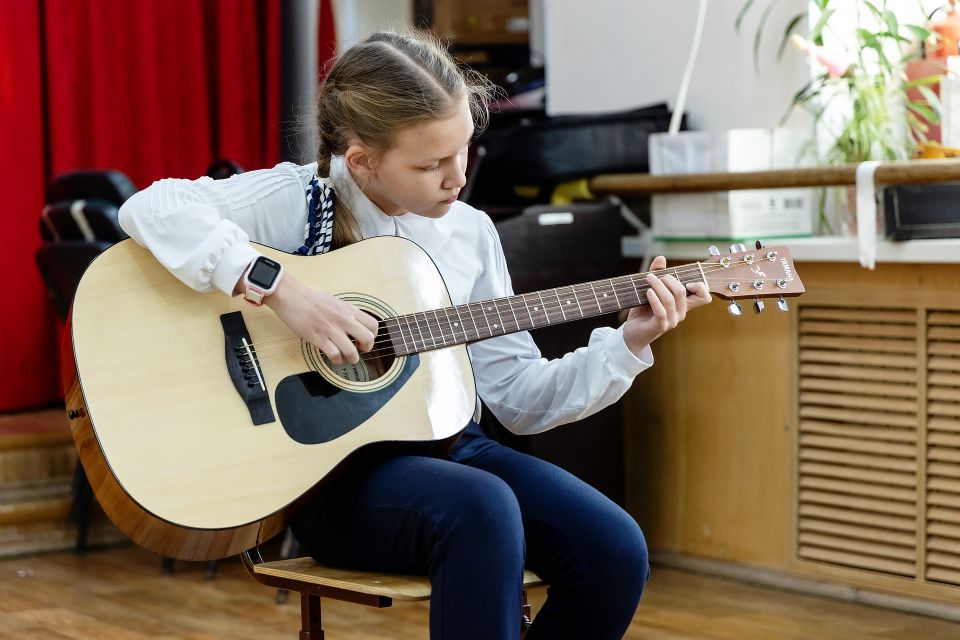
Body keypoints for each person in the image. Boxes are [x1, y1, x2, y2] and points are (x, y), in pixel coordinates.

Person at [119, 29, 711, 640]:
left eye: (463, 150)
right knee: (481, 507)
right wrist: (286, 293)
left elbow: (518, 398)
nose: (457, 177)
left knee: (613, 549)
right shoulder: (298, 199)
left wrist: (628, 343)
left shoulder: (471, 233)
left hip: (453, 448)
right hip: (330, 477)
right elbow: (150, 208)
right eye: (430, 164)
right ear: (362, 161)